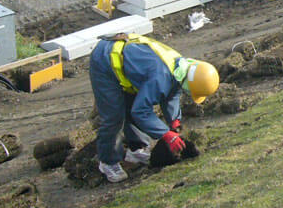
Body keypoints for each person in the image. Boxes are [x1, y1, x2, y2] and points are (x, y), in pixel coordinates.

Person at [89, 33, 219, 183]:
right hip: (105, 60)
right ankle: (108, 162)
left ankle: (136, 150)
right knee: (114, 116)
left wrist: (174, 121)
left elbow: (172, 94)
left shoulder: (182, 68)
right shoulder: (160, 77)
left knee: (132, 104)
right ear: (190, 85)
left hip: (129, 64)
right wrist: (165, 134)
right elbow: (141, 111)